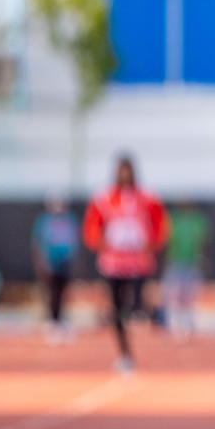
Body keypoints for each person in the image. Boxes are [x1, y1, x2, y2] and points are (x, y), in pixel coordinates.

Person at [82, 155, 170, 373]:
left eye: (128, 170)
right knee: (117, 308)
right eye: (121, 170)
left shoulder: (147, 196)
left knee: (137, 303)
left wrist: (152, 244)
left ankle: (149, 316)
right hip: (113, 260)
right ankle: (124, 352)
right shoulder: (104, 197)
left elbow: (160, 223)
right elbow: (93, 225)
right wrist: (100, 243)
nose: (125, 175)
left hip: (139, 260)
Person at [32, 193, 80, 340]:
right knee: (52, 292)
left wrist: (75, 260)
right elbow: (37, 242)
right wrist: (40, 262)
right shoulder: (44, 220)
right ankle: (53, 320)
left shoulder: (71, 219)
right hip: (50, 263)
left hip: (66, 263)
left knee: (63, 292)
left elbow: (75, 241)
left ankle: (59, 319)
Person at [162, 202, 212, 340]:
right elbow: (166, 240)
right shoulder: (173, 220)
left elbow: (204, 241)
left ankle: (188, 323)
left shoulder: (198, 221)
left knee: (190, 295)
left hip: (192, 261)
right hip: (176, 261)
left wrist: (203, 260)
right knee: (173, 294)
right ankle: (174, 323)